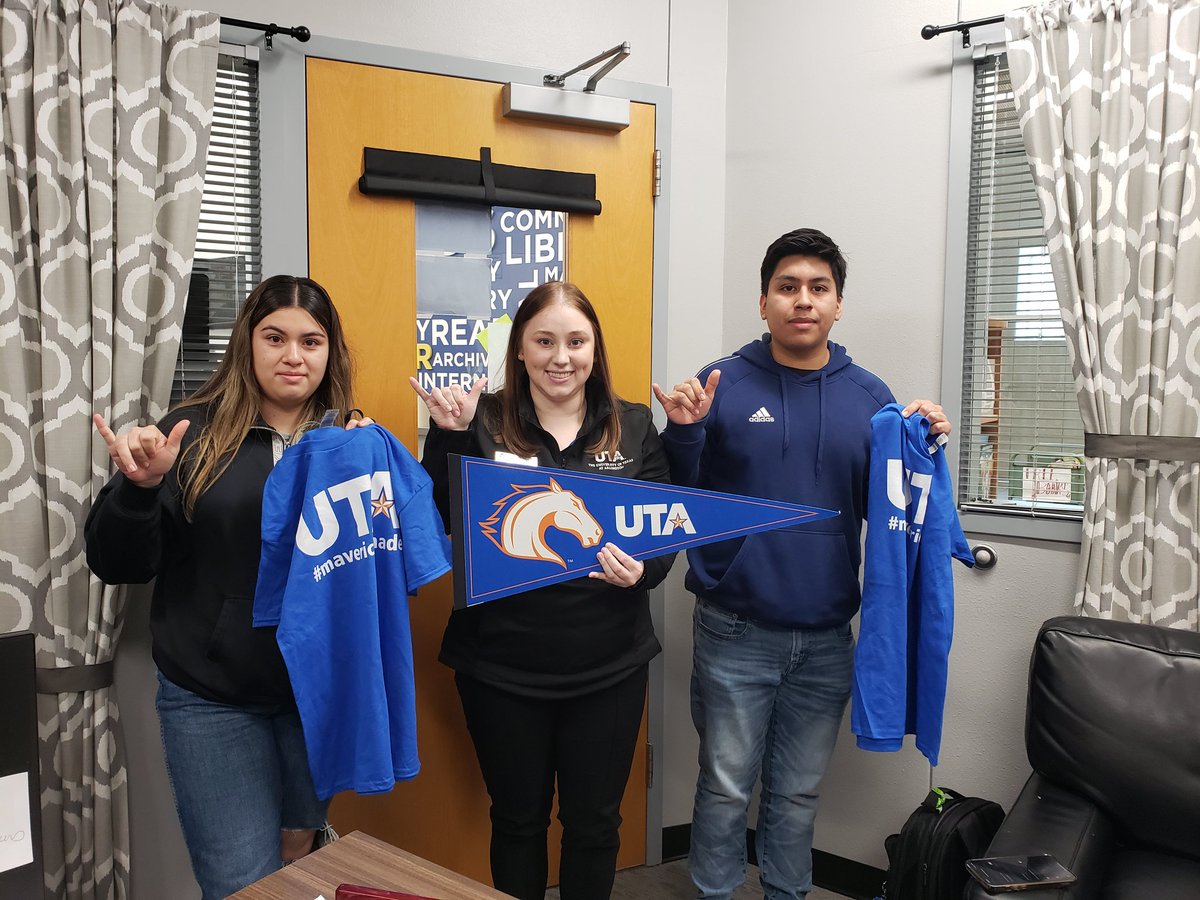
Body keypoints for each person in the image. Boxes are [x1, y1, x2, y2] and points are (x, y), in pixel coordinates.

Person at [651, 228, 951, 900]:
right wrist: (684, 430)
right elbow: (677, 498)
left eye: (818, 288)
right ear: (764, 302)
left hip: (825, 641)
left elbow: (898, 512)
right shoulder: (719, 383)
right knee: (726, 790)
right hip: (735, 631)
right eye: (787, 287)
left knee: (796, 794)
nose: (802, 301)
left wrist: (924, 442)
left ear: (838, 304)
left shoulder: (874, 401)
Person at [85, 275, 369, 899]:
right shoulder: (189, 435)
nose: (293, 356)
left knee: (304, 859)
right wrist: (138, 490)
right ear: (247, 343)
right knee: (243, 883)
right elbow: (119, 564)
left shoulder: (351, 440)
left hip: (313, 695)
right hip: (212, 700)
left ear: (330, 352)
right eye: (275, 337)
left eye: (310, 341)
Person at [410, 280, 674, 900]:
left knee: (595, 825)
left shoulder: (632, 426)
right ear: (520, 350)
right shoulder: (481, 420)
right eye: (545, 341)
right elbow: (438, 523)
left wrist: (645, 570)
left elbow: (662, 537)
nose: (562, 357)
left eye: (576, 341)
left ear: (594, 349)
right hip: (501, 666)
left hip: (609, 665)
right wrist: (446, 437)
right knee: (518, 820)